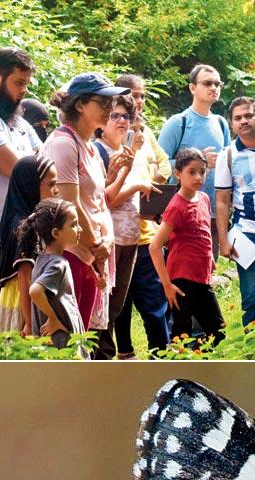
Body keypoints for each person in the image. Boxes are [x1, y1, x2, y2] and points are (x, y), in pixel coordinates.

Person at [44, 72, 128, 338]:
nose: (110, 109)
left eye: (112, 102)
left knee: (85, 337)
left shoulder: (90, 147)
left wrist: (107, 242)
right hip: (71, 254)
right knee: (68, 339)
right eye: (102, 102)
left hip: (91, 255)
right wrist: (96, 244)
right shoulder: (63, 143)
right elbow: (69, 203)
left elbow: (99, 201)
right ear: (80, 104)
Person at [113, 73, 173, 357]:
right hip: (117, 235)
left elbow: (164, 164)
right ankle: (125, 354)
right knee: (120, 305)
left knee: (154, 301)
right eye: (133, 95)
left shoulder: (146, 133)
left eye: (142, 96)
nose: (138, 102)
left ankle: (162, 355)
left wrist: (153, 183)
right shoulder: (110, 134)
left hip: (147, 232)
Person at [93, 92, 151, 357]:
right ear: (102, 121)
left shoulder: (126, 151)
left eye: (125, 116)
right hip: (109, 239)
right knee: (102, 307)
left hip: (131, 238)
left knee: (115, 307)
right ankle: (101, 360)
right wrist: (138, 184)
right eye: (114, 115)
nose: (121, 121)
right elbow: (109, 199)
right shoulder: (99, 152)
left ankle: (107, 358)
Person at [214, 96, 255, 327]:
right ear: (231, 124)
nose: (243, 121)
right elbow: (222, 201)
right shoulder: (228, 155)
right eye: (237, 118)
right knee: (251, 297)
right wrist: (223, 239)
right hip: (247, 232)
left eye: (249, 115)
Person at [0, 47, 37, 331]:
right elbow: (21, 174)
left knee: (8, 330)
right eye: (18, 83)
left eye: (26, 84)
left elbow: (45, 160)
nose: (23, 91)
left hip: (11, 238)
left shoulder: (18, 122)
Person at [149, 148, 223, 347]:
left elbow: (202, 233)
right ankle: (178, 374)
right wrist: (167, 285)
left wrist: (210, 259)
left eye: (202, 171)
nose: (198, 177)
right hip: (181, 280)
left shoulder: (204, 199)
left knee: (218, 332)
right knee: (181, 334)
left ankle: (201, 367)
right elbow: (155, 247)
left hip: (202, 276)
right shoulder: (176, 207)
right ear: (178, 174)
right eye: (191, 172)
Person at [0, 154, 57, 333]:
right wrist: (29, 321)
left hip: (17, 297)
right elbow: (24, 277)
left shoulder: (19, 217)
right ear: (31, 186)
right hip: (22, 302)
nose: (56, 190)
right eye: (51, 184)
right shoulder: (27, 227)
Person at [157, 64, 229, 202]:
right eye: (207, 83)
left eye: (217, 84)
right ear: (192, 88)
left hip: (215, 209)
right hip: (181, 210)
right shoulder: (178, 122)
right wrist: (199, 162)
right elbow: (159, 166)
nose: (214, 88)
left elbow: (228, 166)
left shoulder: (221, 123)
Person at [25, 197, 86, 356]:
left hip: (49, 347)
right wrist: (53, 319)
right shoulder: (58, 264)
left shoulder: (41, 259)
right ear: (56, 233)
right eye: (74, 225)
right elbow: (35, 291)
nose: (80, 229)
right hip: (61, 345)